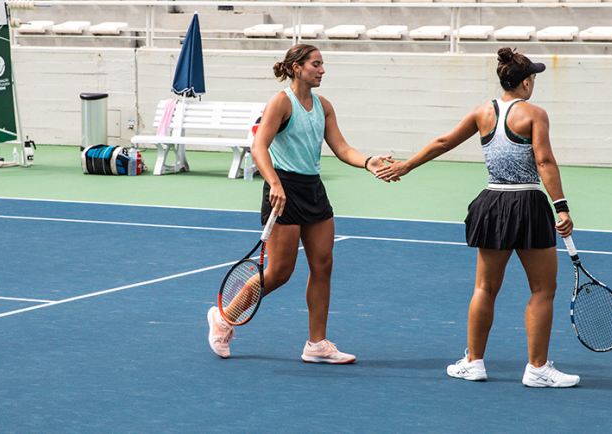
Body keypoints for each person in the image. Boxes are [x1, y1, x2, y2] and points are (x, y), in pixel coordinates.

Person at [376, 47, 580, 387]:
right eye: (534, 77)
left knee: (485, 287)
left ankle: (474, 362)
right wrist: (561, 206)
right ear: (527, 82)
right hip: (528, 205)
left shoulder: (481, 112)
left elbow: (443, 142)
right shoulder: (535, 114)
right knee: (543, 289)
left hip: (493, 206)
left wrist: (405, 165)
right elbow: (544, 162)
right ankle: (537, 369)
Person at [207, 44, 390, 363]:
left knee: (323, 265)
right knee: (278, 272)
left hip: (313, 190)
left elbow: (341, 147)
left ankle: (316, 345)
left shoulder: (324, 106)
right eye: (315, 64)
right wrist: (275, 183)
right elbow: (259, 147)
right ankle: (223, 319)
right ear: (296, 68)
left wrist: (368, 161)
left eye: (322, 65)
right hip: (284, 189)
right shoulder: (281, 102)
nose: (321, 70)